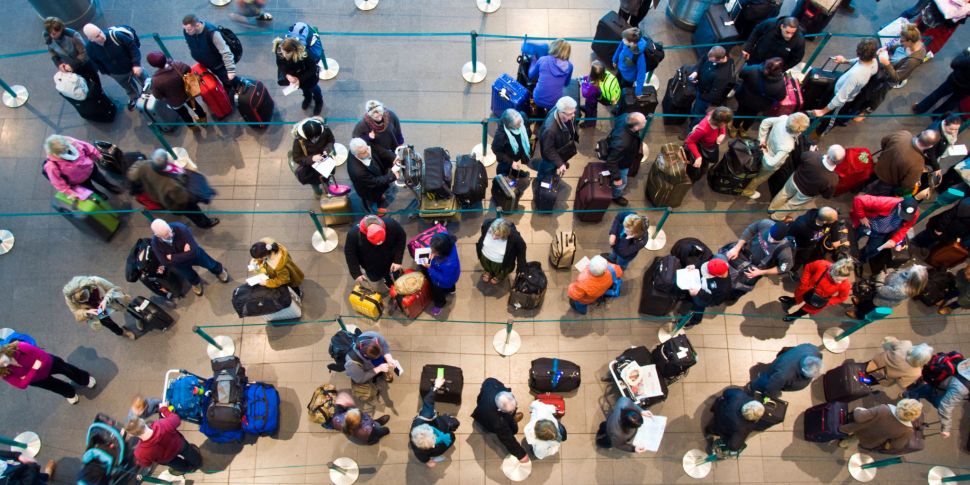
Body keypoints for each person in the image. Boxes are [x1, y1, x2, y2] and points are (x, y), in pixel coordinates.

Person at [849, 24, 926, 122]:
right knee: (869, 87)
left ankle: (866, 111)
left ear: (910, 41)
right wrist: (887, 48)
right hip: (886, 69)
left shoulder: (913, 60)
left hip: (889, 78)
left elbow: (897, 77)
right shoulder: (910, 45)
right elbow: (898, 47)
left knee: (878, 95)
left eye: (903, 40)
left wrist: (886, 63)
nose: (901, 42)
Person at [128, 149, 220, 228]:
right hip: (175, 201)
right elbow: (183, 199)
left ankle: (176, 212)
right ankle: (204, 223)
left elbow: (132, 174)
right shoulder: (171, 183)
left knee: (172, 205)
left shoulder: (145, 165)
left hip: (156, 195)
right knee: (194, 212)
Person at [810, 38, 880, 133]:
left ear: (858, 52)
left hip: (839, 100)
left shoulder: (856, 75)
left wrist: (822, 111)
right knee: (823, 105)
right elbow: (858, 61)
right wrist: (845, 61)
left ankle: (818, 133)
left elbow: (840, 98)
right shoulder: (874, 61)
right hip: (838, 87)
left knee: (828, 121)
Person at [150, 219, 230, 297]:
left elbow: (193, 251)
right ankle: (196, 283)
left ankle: (219, 271)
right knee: (189, 275)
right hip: (180, 264)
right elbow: (165, 262)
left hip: (195, 256)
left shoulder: (181, 228)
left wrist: (172, 257)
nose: (170, 235)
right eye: (166, 235)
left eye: (169, 231)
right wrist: (185, 253)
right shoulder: (155, 243)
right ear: (157, 235)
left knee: (210, 264)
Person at [0, 340, 95, 404]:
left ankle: (85, 379)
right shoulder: (3, 372)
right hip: (37, 379)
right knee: (54, 386)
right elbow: (21, 385)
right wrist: (34, 368)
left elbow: (45, 359)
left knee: (67, 370)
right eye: (1, 365)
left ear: (3, 352)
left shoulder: (20, 347)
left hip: (49, 365)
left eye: (3, 361)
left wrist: (26, 377)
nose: (4, 365)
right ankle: (69, 393)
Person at [768, 144, 845, 220]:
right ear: (839, 162)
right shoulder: (833, 179)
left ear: (828, 153)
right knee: (792, 205)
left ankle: (771, 208)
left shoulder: (813, 156)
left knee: (783, 194)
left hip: (794, 180)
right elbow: (827, 195)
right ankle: (776, 217)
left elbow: (802, 157)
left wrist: (811, 152)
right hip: (806, 193)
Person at [743, 113, 810, 199]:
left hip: (766, 146)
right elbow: (771, 163)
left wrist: (761, 140)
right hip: (768, 163)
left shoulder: (784, 119)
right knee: (760, 177)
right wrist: (765, 153)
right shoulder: (788, 146)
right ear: (799, 130)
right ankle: (748, 191)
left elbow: (765, 122)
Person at [82, 23, 145, 111]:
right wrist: (108, 72)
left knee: (144, 81)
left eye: (100, 32)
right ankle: (134, 97)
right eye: (97, 36)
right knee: (127, 87)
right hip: (116, 73)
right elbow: (96, 62)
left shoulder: (116, 36)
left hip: (132, 66)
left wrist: (136, 64)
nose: (101, 36)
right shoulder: (90, 48)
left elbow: (133, 47)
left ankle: (151, 92)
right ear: (90, 39)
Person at [127, 407, 202, 477]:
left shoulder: (139, 453)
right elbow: (176, 419)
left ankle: (189, 469)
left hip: (167, 459)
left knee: (177, 464)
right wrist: (164, 410)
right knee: (190, 453)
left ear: (131, 434)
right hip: (179, 445)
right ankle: (198, 463)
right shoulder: (162, 424)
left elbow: (146, 463)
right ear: (142, 420)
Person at [904, 357, 969, 439]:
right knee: (940, 406)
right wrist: (946, 429)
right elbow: (945, 407)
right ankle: (907, 415)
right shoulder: (961, 388)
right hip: (937, 391)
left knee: (917, 391)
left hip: (938, 382)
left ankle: (911, 393)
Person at [723, 219, 794, 291]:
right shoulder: (765, 224)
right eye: (770, 235)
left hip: (756, 268)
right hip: (744, 253)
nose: (770, 240)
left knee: (739, 288)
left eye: (775, 240)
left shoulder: (785, 252)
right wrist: (737, 247)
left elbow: (783, 268)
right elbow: (750, 230)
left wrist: (760, 272)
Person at [43, 134, 119, 200]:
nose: (67, 150)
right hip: (79, 180)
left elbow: (87, 147)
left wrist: (97, 155)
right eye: (63, 151)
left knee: (101, 179)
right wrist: (70, 192)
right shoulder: (51, 166)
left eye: (66, 147)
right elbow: (58, 183)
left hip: (90, 168)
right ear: (54, 153)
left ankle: (110, 187)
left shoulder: (71, 142)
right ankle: (98, 193)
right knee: (90, 188)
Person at [866, 130, 939, 196]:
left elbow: (884, 141)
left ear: (921, 133)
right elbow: (907, 184)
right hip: (886, 182)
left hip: (878, 166)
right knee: (872, 193)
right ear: (930, 146)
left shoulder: (903, 135)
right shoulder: (918, 164)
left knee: (867, 180)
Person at [471, 378, 529, 463]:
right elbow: (507, 439)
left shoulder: (491, 384)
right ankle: (512, 420)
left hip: (483, 406)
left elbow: (488, 381)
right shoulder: (498, 421)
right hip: (487, 419)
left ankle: (511, 418)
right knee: (510, 430)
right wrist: (521, 455)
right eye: (511, 412)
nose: (513, 410)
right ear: (500, 410)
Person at [850, 195, 919, 265]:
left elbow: (906, 227)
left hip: (882, 234)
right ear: (899, 206)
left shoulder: (914, 215)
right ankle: (845, 253)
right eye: (902, 213)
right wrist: (861, 216)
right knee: (852, 238)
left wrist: (895, 240)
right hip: (868, 225)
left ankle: (857, 261)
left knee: (873, 250)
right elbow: (858, 199)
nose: (903, 217)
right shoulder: (885, 202)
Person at [145, 52, 207, 129]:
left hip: (175, 102)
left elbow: (157, 95)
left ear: (153, 65)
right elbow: (188, 69)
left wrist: (167, 98)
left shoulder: (156, 80)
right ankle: (203, 121)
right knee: (195, 106)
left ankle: (193, 127)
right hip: (188, 93)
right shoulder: (177, 64)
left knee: (184, 114)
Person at [778, 258, 853, 322]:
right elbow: (808, 268)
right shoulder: (823, 264)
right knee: (798, 297)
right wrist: (804, 283)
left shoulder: (845, 284)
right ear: (831, 271)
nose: (839, 282)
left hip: (818, 300)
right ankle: (792, 302)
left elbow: (842, 297)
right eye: (837, 279)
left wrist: (828, 302)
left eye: (842, 280)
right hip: (806, 289)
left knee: (806, 309)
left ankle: (795, 315)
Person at [62, 275, 137, 339]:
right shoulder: (70, 298)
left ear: (88, 287)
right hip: (97, 310)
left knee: (126, 308)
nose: (87, 299)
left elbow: (113, 288)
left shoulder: (96, 281)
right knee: (108, 323)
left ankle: (138, 317)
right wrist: (86, 312)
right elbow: (75, 312)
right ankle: (122, 332)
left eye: (86, 295)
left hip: (108, 301)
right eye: (82, 300)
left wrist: (106, 300)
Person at [344, 215, 406, 289]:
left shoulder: (391, 224)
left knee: (394, 271)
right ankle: (386, 278)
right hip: (371, 264)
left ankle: (394, 276)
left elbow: (401, 237)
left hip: (390, 257)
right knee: (375, 277)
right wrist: (356, 273)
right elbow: (350, 253)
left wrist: (397, 260)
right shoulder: (353, 234)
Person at [838, 399, 923, 452]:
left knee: (856, 429)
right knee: (856, 438)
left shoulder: (884, 409)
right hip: (871, 439)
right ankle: (844, 443)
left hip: (860, 427)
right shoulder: (908, 430)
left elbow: (859, 417)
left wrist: (857, 409)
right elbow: (897, 445)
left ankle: (841, 435)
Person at [409, 376, 458, 467]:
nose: (433, 445)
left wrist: (436, 386)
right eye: (433, 442)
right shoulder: (420, 450)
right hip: (435, 426)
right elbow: (421, 456)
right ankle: (436, 454)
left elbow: (428, 401)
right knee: (452, 436)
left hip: (434, 424)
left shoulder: (424, 417)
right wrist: (428, 461)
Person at [847, 265, 928, 319]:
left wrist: (882, 274)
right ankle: (860, 304)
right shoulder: (906, 274)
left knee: (869, 307)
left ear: (912, 280)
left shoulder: (902, 291)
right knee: (867, 299)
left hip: (880, 300)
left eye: (908, 271)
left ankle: (859, 315)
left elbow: (881, 290)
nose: (905, 271)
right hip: (878, 292)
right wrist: (889, 271)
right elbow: (895, 271)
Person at [44, 16, 100, 92]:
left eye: (54, 33)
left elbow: (84, 52)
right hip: (70, 67)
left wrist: (72, 65)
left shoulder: (72, 35)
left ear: (61, 29)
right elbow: (52, 51)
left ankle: (100, 91)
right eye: (50, 33)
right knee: (82, 82)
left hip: (84, 64)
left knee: (94, 78)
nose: (52, 36)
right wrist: (59, 64)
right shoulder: (48, 37)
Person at [731, 58, 787, 134]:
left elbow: (742, 74)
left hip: (744, 98)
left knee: (740, 112)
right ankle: (743, 130)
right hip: (760, 105)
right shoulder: (780, 84)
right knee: (752, 116)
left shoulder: (753, 69)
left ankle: (734, 129)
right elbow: (781, 97)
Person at [344, 330, 400, 406]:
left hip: (373, 364)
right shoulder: (352, 363)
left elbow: (384, 345)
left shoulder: (372, 336)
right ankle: (373, 392)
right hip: (365, 370)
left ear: (376, 342)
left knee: (382, 360)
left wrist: (388, 358)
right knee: (367, 394)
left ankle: (383, 371)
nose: (380, 355)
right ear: (365, 355)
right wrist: (378, 369)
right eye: (376, 357)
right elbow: (361, 379)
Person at [182, 14, 237, 90]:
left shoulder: (212, 33)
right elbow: (189, 42)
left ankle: (236, 90)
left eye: (189, 29)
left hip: (218, 66)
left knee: (229, 81)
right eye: (185, 29)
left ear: (197, 25)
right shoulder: (187, 31)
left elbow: (225, 52)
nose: (186, 32)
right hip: (205, 64)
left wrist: (231, 70)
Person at [346, 137, 401, 213]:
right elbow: (374, 182)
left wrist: (393, 156)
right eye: (364, 152)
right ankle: (374, 211)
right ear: (357, 155)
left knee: (378, 194)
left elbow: (377, 149)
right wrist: (392, 176)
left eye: (367, 148)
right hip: (369, 189)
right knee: (371, 201)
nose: (368, 152)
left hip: (374, 174)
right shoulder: (357, 171)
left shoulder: (363, 145)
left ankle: (379, 196)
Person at [788, 207, 849, 273]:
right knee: (792, 256)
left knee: (803, 258)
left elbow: (834, 226)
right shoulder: (801, 224)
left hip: (810, 245)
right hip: (800, 244)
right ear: (825, 221)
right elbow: (789, 235)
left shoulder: (827, 216)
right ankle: (789, 268)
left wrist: (837, 239)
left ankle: (795, 269)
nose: (836, 220)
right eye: (834, 220)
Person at [750, 343, 823, 398]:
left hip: (784, 360)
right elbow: (771, 388)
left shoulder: (812, 349)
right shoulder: (783, 375)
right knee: (763, 381)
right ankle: (751, 386)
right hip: (776, 372)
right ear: (801, 369)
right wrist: (776, 395)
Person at [913, 47, 970, 117]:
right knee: (953, 101)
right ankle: (937, 116)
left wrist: (964, 54)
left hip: (955, 80)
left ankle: (920, 108)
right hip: (966, 90)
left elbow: (954, 64)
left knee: (938, 93)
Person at [605, 112, 647, 205]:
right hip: (622, 163)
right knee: (622, 183)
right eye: (644, 122)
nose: (646, 122)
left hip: (619, 146)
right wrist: (617, 178)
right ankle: (615, 196)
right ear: (635, 127)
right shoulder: (623, 142)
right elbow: (611, 161)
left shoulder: (624, 117)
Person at [705, 386, 764, 452]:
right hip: (722, 428)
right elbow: (734, 446)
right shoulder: (744, 427)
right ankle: (710, 432)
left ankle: (708, 430)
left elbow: (726, 392)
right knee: (717, 429)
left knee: (713, 425)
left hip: (719, 410)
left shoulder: (739, 395)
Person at [290, 116, 337, 197]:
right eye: (313, 138)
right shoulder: (299, 141)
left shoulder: (324, 129)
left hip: (325, 161)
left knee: (327, 177)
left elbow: (331, 140)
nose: (316, 139)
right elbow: (297, 158)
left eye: (318, 136)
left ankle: (328, 184)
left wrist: (327, 149)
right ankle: (317, 192)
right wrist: (312, 158)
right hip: (311, 168)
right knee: (315, 182)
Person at [274, 36, 322, 115]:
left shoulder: (305, 55)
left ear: (293, 51)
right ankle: (307, 97)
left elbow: (312, 69)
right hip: (294, 77)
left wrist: (299, 79)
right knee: (304, 89)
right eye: (282, 52)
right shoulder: (280, 50)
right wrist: (287, 76)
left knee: (314, 89)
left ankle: (319, 101)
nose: (284, 55)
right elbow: (280, 64)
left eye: (287, 53)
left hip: (308, 77)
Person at [689, 46, 735, 129]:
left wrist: (702, 96)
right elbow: (702, 60)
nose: (709, 60)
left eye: (711, 60)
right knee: (695, 109)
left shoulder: (724, 76)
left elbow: (715, 94)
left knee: (698, 116)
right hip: (700, 89)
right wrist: (696, 71)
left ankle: (691, 131)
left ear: (720, 59)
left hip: (705, 98)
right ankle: (692, 117)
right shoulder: (713, 54)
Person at [351, 100, 405, 169]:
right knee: (384, 163)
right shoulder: (363, 124)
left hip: (393, 143)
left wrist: (400, 142)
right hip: (379, 150)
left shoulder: (391, 115)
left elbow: (398, 129)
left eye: (381, 114)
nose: (380, 118)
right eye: (376, 117)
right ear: (370, 115)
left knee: (396, 159)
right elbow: (355, 139)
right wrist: (368, 137)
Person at [417, 232, 460, 316]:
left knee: (438, 292)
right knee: (451, 284)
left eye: (435, 252)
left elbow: (443, 278)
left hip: (441, 281)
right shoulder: (446, 240)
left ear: (442, 252)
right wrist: (430, 251)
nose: (432, 252)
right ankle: (451, 290)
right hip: (453, 275)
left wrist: (429, 268)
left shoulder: (449, 264)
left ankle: (439, 304)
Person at [685, 106, 732, 182]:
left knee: (705, 164)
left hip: (709, 146)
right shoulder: (703, 129)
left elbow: (723, 126)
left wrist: (722, 133)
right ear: (719, 122)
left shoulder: (715, 115)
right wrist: (698, 156)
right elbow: (690, 141)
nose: (726, 125)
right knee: (699, 168)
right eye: (725, 123)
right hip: (700, 148)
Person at [537, 96, 580, 180]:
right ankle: (542, 179)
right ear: (561, 112)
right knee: (547, 169)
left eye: (574, 112)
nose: (573, 115)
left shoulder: (561, 110)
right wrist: (560, 163)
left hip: (559, 148)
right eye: (570, 114)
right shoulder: (550, 130)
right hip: (550, 157)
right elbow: (548, 150)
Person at [528, 39, 574, 117]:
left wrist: (533, 61)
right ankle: (550, 118)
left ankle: (540, 119)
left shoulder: (543, 60)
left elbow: (531, 75)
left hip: (538, 98)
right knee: (553, 109)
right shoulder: (569, 66)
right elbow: (566, 84)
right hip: (555, 102)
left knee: (539, 107)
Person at [476, 218, 528, 285]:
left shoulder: (515, 237)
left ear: (505, 233)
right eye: (492, 233)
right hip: (485, 257)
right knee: (486, 265)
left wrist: (521, 268)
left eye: (497, 235)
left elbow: (521, 251)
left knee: (501, 271)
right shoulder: (487, 225)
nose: (493, 237)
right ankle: (488, 271)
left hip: (501, 263)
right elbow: (483, 234)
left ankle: (499, 277)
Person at [741, 17, 806, 70]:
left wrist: (781, 69)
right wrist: (747, 48)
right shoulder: (770, 24)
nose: (789, 36)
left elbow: (796, 59)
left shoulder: (799, 41)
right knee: (743, 76)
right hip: (755, 60)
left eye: (792, 33)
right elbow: (757, 31)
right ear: (782, 26)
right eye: (787, 32)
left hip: (772, 69)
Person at [866, 337, 933, 387]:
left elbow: (887, 341)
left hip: (873, 363)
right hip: (881, 378)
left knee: (862, 368)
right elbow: (902, 384)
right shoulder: (916, 373)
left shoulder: (905, 344)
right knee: (867, 383)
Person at [685, 257, 732, 326]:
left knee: (698, 308)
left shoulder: (724, 289)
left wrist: (699, 293)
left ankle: (695, 320)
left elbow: (714, 301)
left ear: (718, 275)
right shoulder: (718, 260)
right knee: (693, 301)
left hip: (703, 298)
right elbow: (705, 262)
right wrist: (695, 266)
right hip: (699, 287)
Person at [580, 60, 621, 127]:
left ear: (593, 74)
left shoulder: (593, 87)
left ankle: (590, 123)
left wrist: (582, 82)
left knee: (591, 107)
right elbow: (589, 78)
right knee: (591, 104)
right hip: (605, 97)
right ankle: (587, 108)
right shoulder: (606, 73)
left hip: (600, 98)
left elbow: (585, 93)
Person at [492, 109, 532, 178]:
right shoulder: (501, 135)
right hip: (507, 158)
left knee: (514, 166)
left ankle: (515, 173)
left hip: (517, 154)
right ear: (509, 125)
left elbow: (527, 129)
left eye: (520, 122)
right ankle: (503, 178)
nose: (520, 125)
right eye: (517, 125)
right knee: (503, 169)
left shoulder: (522, 117)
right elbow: (497, 151)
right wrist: (511, 162)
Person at [611, 28, 649, 94]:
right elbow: (619, 49)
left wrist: (638, 91)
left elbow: (641, 74)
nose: (623, 40)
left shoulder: (639, 56)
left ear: (632, 43)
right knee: (617, 80)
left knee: (623, 89)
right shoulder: (625, 42)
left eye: (625, 39)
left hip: (628, 78)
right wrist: (615, 59)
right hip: (621, 69)